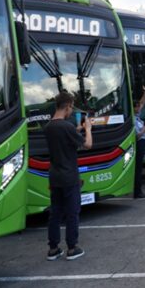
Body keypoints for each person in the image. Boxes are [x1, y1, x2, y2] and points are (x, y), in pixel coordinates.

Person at [44, 91, 92, 261]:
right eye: (72, 107)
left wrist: (76, 129)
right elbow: (87, 144)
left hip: (54, 176)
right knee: (72, 212)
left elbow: (65, 139)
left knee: (55, 213)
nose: (72, 111)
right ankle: (72, 248)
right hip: (70, 176)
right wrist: (88, 129)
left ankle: (53, 249)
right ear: (68, 106)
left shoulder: (49, 127)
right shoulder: (67, 127)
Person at [133, 87, 145, 199]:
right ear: (133, 108)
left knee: (140, 168)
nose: (140, 108)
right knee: (138, 169)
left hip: (143, 142)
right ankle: (137, 192)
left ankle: (138, 191)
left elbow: (142, 103)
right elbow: (137, 135)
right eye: (137, 106)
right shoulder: (133, 119)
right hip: (139, 144)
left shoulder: (137, 116)